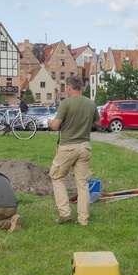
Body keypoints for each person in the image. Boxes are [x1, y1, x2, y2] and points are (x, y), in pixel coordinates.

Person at [48, 76, 100, 226]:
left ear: (69, 88)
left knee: (57, 177)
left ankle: (65, 213)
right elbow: (98, 122)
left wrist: (50, 122)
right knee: (83, 184)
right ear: (81, 88)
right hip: (85, 146)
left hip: (68, 147)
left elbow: (56, 125)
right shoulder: (91, 103)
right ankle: (83, 220)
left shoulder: (66, 103)